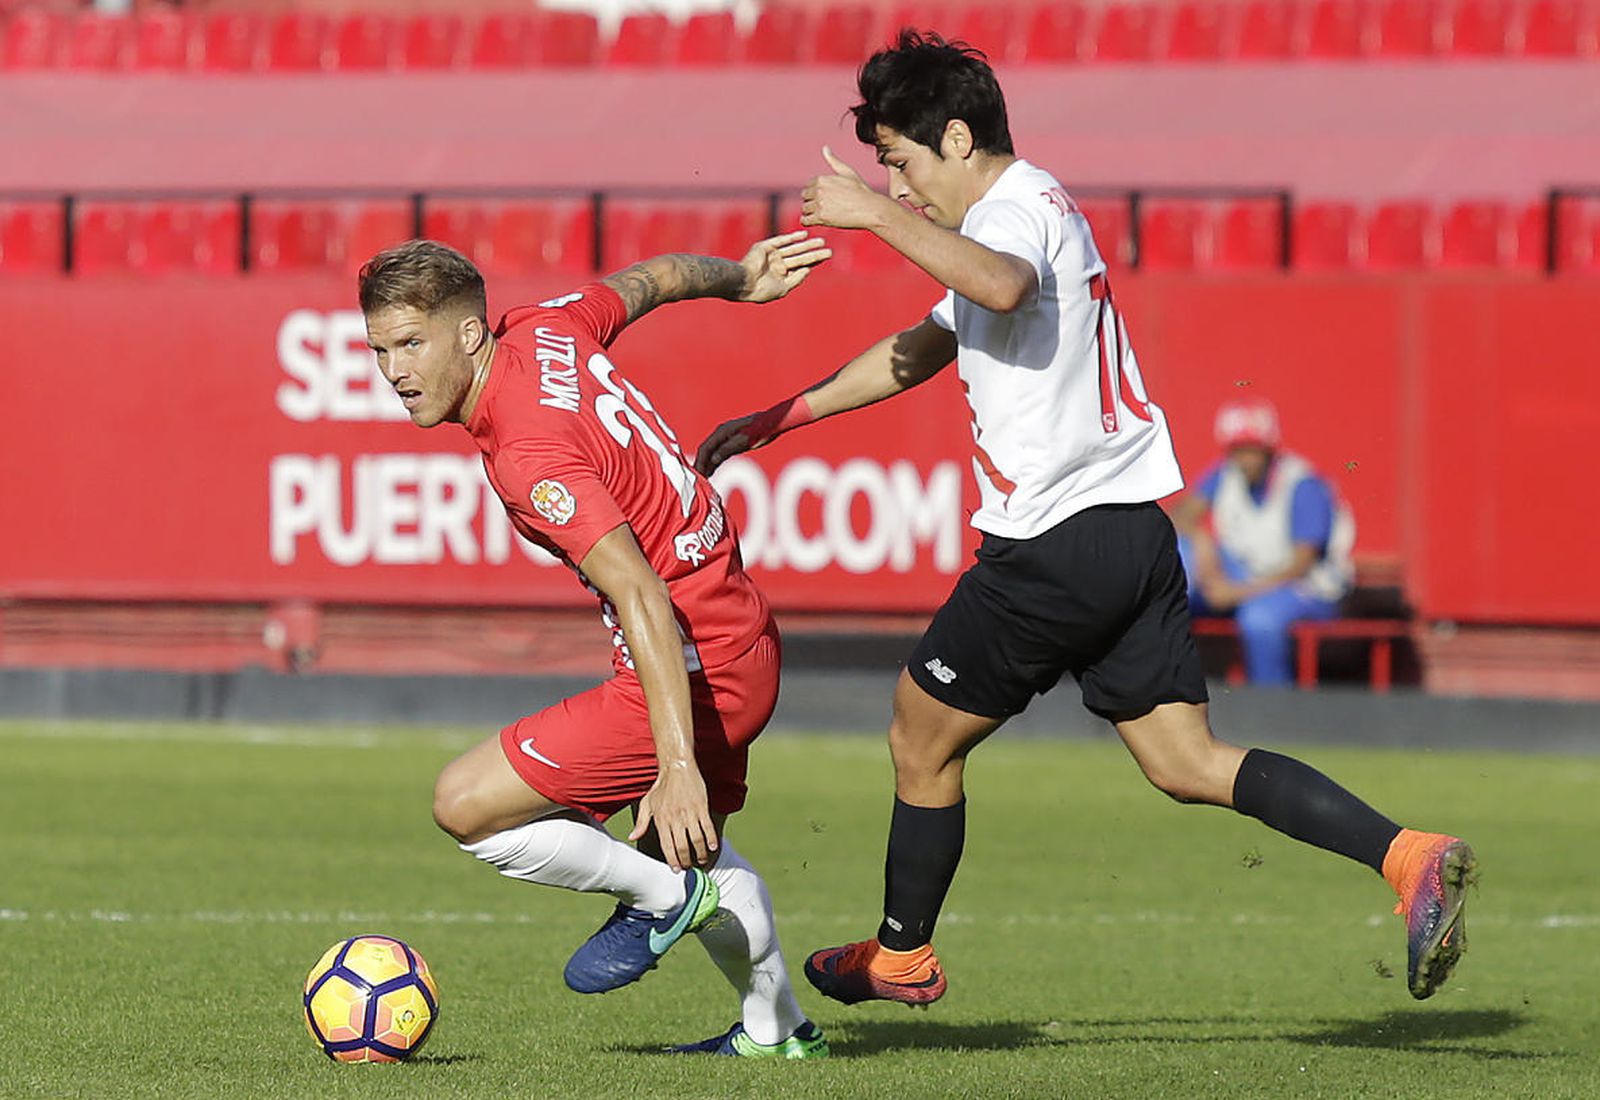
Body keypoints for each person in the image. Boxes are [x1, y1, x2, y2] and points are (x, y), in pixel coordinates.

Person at [695, 31, 1474, 1012]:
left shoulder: (1018, 212)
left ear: (956, 137)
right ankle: (1406, 855)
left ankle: (901, 953)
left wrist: (866, 219)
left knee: (917, 734)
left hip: (1053, 543)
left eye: (899, 164)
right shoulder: (1011, 218)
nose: (897, 188)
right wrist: (783, 415)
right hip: (1130, 536)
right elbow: (920, 344)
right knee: (1185, 761)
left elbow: (1001, 284)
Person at [359, 233, 832, 1058]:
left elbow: (641, 592)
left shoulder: (527, 451)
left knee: (465, 805)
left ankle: (662, 900)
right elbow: (650, 280)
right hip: (742, 635)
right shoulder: (548, 325)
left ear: (469, 336)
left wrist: (675, 764)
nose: (395, 371)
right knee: (695, 847)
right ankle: (779, 1031)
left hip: (695, 662)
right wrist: (741, 279)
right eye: (380, 349)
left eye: (410, 344)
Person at [1171, 396, 1357, 686]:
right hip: (1247, 577)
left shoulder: (1300, 483)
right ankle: (1168, 689)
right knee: (1181, 555)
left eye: (1251, 450)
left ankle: (1272, 710)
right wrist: (1202, 539)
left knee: (1259, 619)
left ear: (1269, 449)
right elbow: (1180, 515)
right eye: (1236, 450)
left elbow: (1301, 565)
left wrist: (1235, 593)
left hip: (1308, 588)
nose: (1244, 460)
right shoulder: (1225, 473)